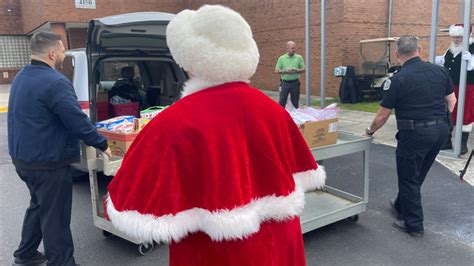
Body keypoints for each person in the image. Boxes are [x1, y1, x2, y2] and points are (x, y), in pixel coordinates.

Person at [105, 5, 326, 266]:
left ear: (189, 62)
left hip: (216, 252)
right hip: (281, 240)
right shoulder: (273, 110)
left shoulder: (173, 122)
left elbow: (129, 196)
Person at [7, 31, 112, 265]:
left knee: (38, 205)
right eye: (63, 50)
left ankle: (25, 254)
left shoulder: (22, 76)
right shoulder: (55, 82)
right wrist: (102, 144)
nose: (64, 54)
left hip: (24, 159)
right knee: (56, 217)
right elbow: (76, 121)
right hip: (48, 162)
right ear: (52, 53)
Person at [364, 36, 456, 237]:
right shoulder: (440, 71)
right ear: (419, 49)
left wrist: (370, 131)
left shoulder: (397, 79)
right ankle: (400, 204)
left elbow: (382, 115)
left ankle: (414, 224)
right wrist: (444, 121)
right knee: (418, 171)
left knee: (408, 177)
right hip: (440, 131)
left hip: (414, 134)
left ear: (398, 55)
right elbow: (452, 100)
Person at [435, 24, 474, 155]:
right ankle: (446, 140)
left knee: (465, 113)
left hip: (467, 87)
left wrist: (471, 63)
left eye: (459, 37)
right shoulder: (450, 49)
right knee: (448, 111)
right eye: (454, 37)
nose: (456, 40)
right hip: (450, 86)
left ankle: (463, 144)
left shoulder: (472, 47)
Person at [275, 41, 305, 108]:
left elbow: (303, 69)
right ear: (287, 48)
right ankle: (281, 116)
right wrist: (286, 71)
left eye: (295, 48)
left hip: (295, 83)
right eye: (292, 48)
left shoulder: (299, 57)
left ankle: (294, 117)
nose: (294, 50)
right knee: (282, 101)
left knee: (295, 102)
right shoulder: (281, 58)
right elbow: (276, 71)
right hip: (285, 84)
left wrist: (296, 70)